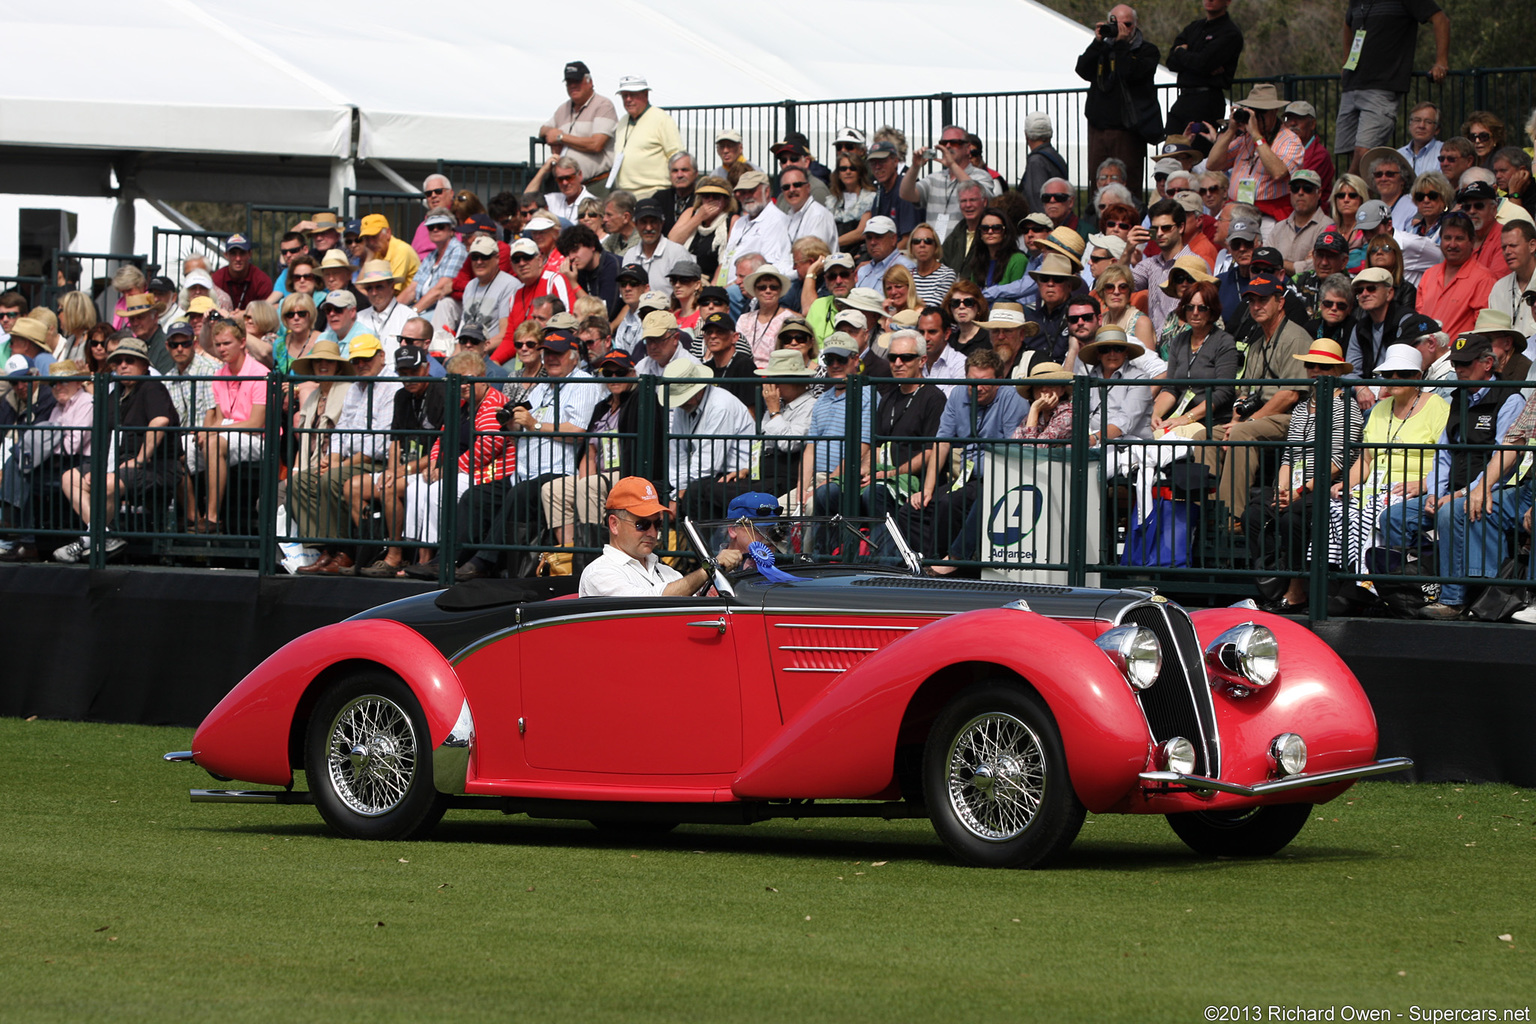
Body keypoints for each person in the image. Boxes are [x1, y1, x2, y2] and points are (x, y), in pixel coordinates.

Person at [1378, 333, 1524, 618]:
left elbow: (1504, 459)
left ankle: (1452, 600)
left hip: (1489, 489)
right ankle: (1409, 593)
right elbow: (1444, 453)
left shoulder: (1510, 398)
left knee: (1450, 513)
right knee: (1393, 517)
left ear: (1488, 363)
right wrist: (1434, 492)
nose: (1459, 370)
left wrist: (1460, 494)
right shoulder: (1458, 396)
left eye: (1466, 364)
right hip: (1450, 492)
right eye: (1456, 363)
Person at [1244, 338, 1362, 612]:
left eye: (1323, 367)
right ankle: (1276, 584)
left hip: (1326, 487)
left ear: (1337, 372)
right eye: (1311, 365)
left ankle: (1297, 589)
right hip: (1295, 487)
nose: (1315, 372)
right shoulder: (1300, 408)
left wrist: (1296, 493)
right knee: (1253, 514)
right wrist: (1282, 491)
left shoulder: (1348, 408)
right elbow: (1288, 458)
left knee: (1292, 518)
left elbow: (1336, 463)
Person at [1192, 273, 1313, 515]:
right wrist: (1236, 420)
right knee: (1204, 436)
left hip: (1294, 417)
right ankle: (1204, 512)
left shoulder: (1295, 337)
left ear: (1280, 302)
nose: (1256, 306)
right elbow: (1244, 391)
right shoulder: (1257, 343)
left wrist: (1247, 422)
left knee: (1242, 434)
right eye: (1252, 301)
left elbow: (1290, 395)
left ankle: (1230, 516)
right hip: (1257, 417)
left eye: (1263, 300)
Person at [52, 343, 178, 564]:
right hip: (115, 464)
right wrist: (102, 468)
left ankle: (89, 538)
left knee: (107, 483)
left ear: (144, 364)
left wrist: (138, 460)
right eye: (118, 362)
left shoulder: (152, 387)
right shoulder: (115, 393)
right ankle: (104, 537)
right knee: (69, 478)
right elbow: (105, 435)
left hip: (154, 467)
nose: (123, 366)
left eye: (130, 361)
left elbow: (160, 421)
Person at [1331, 345, 1450, 577]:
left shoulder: (1438, 407)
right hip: (1374, 488)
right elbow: (1366, 459)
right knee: (1334, 508)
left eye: (1402, 374)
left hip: (1411, 489)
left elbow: (1448, 459)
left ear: (1417, 376)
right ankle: (1341, 577)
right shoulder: (1379, 409)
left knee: (1370, 514)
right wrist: (1347, 482)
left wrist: (1426, 484)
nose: (1394, 379)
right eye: (1389, 374)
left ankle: (1372, 583)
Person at [900, 348, 1027, 563]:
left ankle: (938, 563)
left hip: (996, 478)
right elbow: (941, 443)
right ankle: (918, 561)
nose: (977, 386)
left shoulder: (1012, 397)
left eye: (985, 381)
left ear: (999, 379)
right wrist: (927, 490)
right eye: (972, 380)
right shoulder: (959, 394)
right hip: (965, 477)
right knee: (910, 510)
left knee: (950, 504)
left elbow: (1012, 451)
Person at [538, 350, 666, 560]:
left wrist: (588, 482)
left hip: (626, 475)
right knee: (553, 489)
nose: (614, 378)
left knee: (589, 486)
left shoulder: (640, 400)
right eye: (608, 373)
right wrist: (585, 476)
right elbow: (589, 451)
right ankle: (567, 555)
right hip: (600, 474)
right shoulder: (601, 407)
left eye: (620, 373)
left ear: (632, 373)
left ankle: (593, 557)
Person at [1336, 0, 1450, 175]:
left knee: (1364, 153)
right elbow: (1347, 24)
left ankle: (1343, 192)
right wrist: (1346, 60)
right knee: (1353, 153)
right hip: (1352, 84)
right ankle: (1357, 198)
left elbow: (1441, 19)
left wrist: (1441, 61)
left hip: (1382, 86)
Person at [578, 476, 742, 597]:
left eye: (656, 524)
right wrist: (708, 569)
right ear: (614, 524)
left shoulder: (666, 572)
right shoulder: (599, 573)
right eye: (642, 524)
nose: (652, 533)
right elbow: (647, 605)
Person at [1075, 4, 1161, 193]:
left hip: (1127, 130)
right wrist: (1097, 42)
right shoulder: (1103, 48)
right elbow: (1082, 69)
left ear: (1136, 25)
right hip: (1098, 128)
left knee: (1127, 183)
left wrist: (1121, 45)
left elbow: (1130, 74)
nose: (1123, 30)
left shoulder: (1147, 51)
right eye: (1116, 24)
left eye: (1127, 25)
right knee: (1098, 182)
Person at [662, 359, 755, 521]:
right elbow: (678, 452)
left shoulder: (721, 406)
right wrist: (679, 489)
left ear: (699, 389)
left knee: (696, 493)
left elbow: (707, 463)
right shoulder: (682, 408)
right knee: (653, 488)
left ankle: (696, 545)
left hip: (735, 475)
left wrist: (679, 495)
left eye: (685, 397)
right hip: (709, 474)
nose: (682, 403)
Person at [1206, 83, 1304, 226]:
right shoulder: (1244, 138)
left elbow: (1278, 172)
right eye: (1253, 111)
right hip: (1236, 210)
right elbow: (1212, 164)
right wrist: (1231, 130)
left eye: (1261, 111)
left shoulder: (1290, 140)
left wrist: (1256, 135)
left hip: (1268, 215)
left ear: (1274, 111)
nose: (1256, 116)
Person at [1152, 280, 1239, 433]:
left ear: (1212, 310)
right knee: (1147, 432)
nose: (1195, 312)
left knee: (1160, 439)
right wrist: (1155, 414)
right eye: (1190, 307)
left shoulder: (1224, 342)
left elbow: (1223, 392)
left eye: (1202, 308)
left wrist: (1186, 418)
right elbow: (1170, 388)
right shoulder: (1179, 340)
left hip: (1211, 420)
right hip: (1178, 416)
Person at [897, 125, 999, 243]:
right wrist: (915, 167)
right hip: (935, 252)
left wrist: (952, 165)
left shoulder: (981, 176)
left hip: (964, 251)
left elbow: (981, 196)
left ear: (968, 148)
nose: (948, 146)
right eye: (944, 143)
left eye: (954, 143)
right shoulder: (934, 178)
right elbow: (905, 194)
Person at [1165, 0, 1244, 133]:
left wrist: (1181, 52)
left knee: (1198, 149)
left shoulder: (1230, 33)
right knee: (1172, 148)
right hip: (1183, 99)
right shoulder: (1193, 27)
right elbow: (1171, 62)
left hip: (1206, 102)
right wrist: (1196, 62)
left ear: (1228, 2)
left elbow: (1203, 63)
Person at [1416, 211, 1496, 342]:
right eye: (1447, 238)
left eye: (1459, 238)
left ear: (1472, 241)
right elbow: (1419, 321)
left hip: (1459, 359)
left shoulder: (1484, 279)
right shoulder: (1429, 274)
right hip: (1425, 357)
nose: (1452, 245)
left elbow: (1483, 332)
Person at [1076, 325, 1159, 445]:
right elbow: (1078, 412)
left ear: (1126, 352)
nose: (1112, 354)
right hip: (1094, 444)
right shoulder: (1089, 379)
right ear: (1098, 354)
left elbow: (1125, 420)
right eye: (1105, 349)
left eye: (1118, 348)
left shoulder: (1139, 378)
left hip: (1130, 447)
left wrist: (1095, 439)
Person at [541, 61, 617, 188]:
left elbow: (596, 144)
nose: (573, 86)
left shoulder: (604, 106)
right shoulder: (563, 108)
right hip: (565, 184)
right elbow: (543, 129)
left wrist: (561, 138)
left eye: (577, 81)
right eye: (569, 82)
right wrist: (552, 135)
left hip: (595, 184)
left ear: (590, 82)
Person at [611, 76, 682, 199]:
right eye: (624, 95)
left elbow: (676, 155)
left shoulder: (662, 119)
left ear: (645, 94)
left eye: (632, 95)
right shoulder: (623, 121)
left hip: (653, 192)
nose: (628, 99)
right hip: (624, 194)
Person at [721, 172, 792, 280]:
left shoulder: (777, 221)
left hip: (749, 288)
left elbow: (767, 268)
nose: (747, 196)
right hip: (728, 285)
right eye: (742, 192)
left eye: (751, 191)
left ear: (766, 191)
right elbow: (726, 259)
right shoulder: (739, 223)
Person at [667, 177, 734, 282]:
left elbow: (728, 259)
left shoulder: (731, 220)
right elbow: (672, 241)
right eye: (706, 196)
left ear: (725, 200)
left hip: (710, 279)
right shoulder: (691, 213)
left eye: (716, 196)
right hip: (684, 277)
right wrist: (699, 217)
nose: (710, 200)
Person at [1270, 169, 1334, 276]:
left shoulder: (1328, 227)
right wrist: (1299, 265)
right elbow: (1266, 259)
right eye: (1295, 188)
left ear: (1319, 193)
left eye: (1307, 189)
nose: (1300, 193)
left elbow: (1315, 266)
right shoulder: (1278, 227)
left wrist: (1277, 262)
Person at [623, 197, 690, 292]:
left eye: (653, 222)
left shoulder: (677, 253)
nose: (649, 228)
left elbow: (687, 294)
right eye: (643, 222)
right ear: (635, 224)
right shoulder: (630, 255)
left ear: (662, 223)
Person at [1397, 170, 1452, 282]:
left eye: (1432, 196)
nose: (1426, 201)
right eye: (1420, 196)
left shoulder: (1450, 228)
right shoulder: (1411, 230)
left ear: (1444, 199)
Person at [866, 140, 921, 244]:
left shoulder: (904, 191)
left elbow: (908, 240)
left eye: (882, 162)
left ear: (895, 161)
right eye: (873, 163)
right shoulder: (880, 193)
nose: (877, 167)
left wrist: (885, 260)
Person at [1489, 221, 1536, 336]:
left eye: (1513, 246)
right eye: (1504, 247)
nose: (1507, 252)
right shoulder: (1499, 288)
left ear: (1532, 246)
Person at [1282, 101, 1336, 199]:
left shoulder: (1320, 155)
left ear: (1312, 124)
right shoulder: (1280, 148)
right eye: (1288, 119)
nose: (1293, 123)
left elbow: (1297, 186)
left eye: (1299, 118)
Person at [965, 208, 1027, 290]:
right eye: (985, 228)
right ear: (980, 234)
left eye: (996, 228)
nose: (990, 232)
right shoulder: (978, 261)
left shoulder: (1018, 260)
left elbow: (1016, 295)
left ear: (1005, 232)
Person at [357, 216, 421, 294]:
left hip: (409, 302)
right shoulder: (376, 252)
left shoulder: (401, 250)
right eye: (366, 238)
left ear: (388, 233)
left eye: (374, 236)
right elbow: (359, 286)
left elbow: (391, 290)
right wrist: (369, 257)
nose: (371, 242)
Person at [211, 235, 273, 309]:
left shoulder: (262, 281)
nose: (238, 258)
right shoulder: (217, 279)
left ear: (250, 254)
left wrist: (244, 315)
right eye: (233, 253)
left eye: (242, 253)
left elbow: (267, 311)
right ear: (226, 255)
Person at [908, 223, 958, 308]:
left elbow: (934, 308)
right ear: (911, 247)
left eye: (928, 241)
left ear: (936, 247)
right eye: (917, 241)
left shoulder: (947, 274)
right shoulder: (907, 275)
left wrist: (911, 304)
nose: (922, 245)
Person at [1399, 102, 1444, 178]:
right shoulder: (1399, 155)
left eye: (1428, 122)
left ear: (1437, 129)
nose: (1421, 126)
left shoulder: (1443, 153)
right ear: (1410, 125)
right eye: (1417, 120)